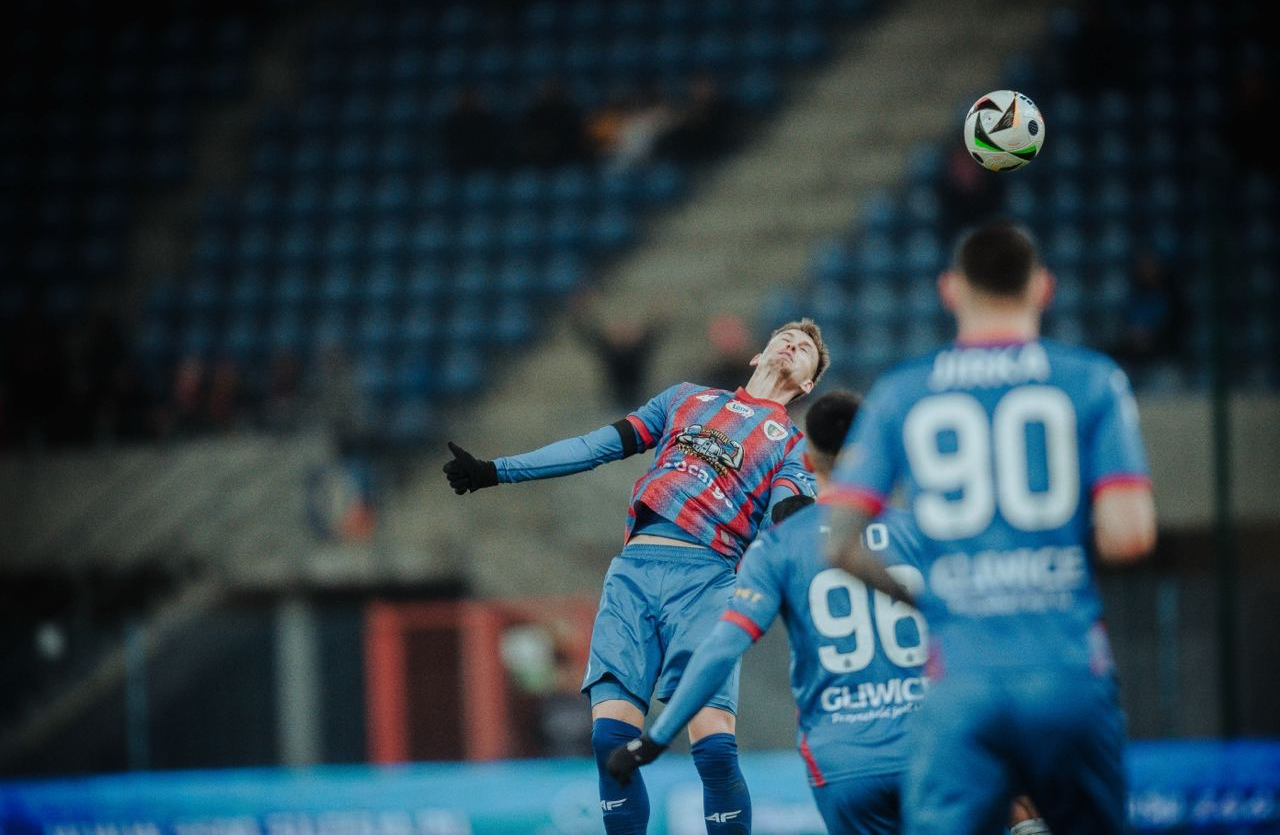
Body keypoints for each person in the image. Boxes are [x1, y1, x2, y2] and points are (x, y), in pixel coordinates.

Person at [825, 220, 1157, 834]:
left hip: (961, 678)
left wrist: (930, 597)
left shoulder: (902, 392)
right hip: (1067, 670)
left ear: (950, 290)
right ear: (1044, 287)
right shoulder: (1093, 380)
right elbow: (1129, 535)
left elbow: (840, 542)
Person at [444, 319, 830, 834]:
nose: (793, 344)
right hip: (633, 574)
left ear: (806, 384)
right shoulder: (685, 398)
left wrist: (805, 525)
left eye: (805, 350)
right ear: (759, 355)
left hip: (708, 582)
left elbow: (788, 515)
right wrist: (495, 470)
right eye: (786, 337)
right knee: (609, 739)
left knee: (714, 748)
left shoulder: (793, 445)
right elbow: (593, 446)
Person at [605, 390, 1052, 835]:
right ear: (876, 455)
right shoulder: (923, 532)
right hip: (930, 749)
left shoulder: (780, 548)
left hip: (844, 762)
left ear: (808, 463)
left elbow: (721, 649)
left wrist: (655, 740)